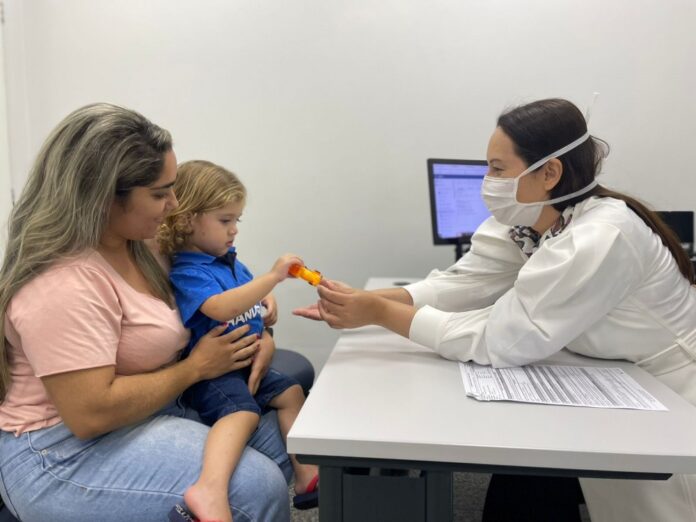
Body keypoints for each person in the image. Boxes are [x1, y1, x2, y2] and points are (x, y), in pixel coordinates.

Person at [294, 98, 696, 521]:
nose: (488, 181)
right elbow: (464, 282)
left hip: (668, 399)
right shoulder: (529, 220)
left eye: (498, 169)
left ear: (549, 173)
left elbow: (502, 340)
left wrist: (378, 312)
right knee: (528, 483)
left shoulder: (602, 235)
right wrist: (366, 301)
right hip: (607, 378)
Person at [0, 103, 293, 522]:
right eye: (159, 194)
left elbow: (216, 302)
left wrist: (261, 337)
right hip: (62, 452)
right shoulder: (62, 283)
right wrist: (195, 368)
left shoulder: (145, 244)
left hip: (157, 406)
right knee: (256, 487)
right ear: (103, 196)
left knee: (288, 442)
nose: (174, 204)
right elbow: (91, 413)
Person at [157, 160, 319, 521]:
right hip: (214, 376)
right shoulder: (188, 270)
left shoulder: (228, 261)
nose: (233, 230)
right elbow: (219, 307)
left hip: (245, 363)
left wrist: (265, 303)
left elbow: (244, 295)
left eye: (237, 220)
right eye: (224, 220)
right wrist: (272, 279)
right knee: (241, 413)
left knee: (292, 393)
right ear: (187, 220)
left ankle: (306, 475)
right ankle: (209, 488)